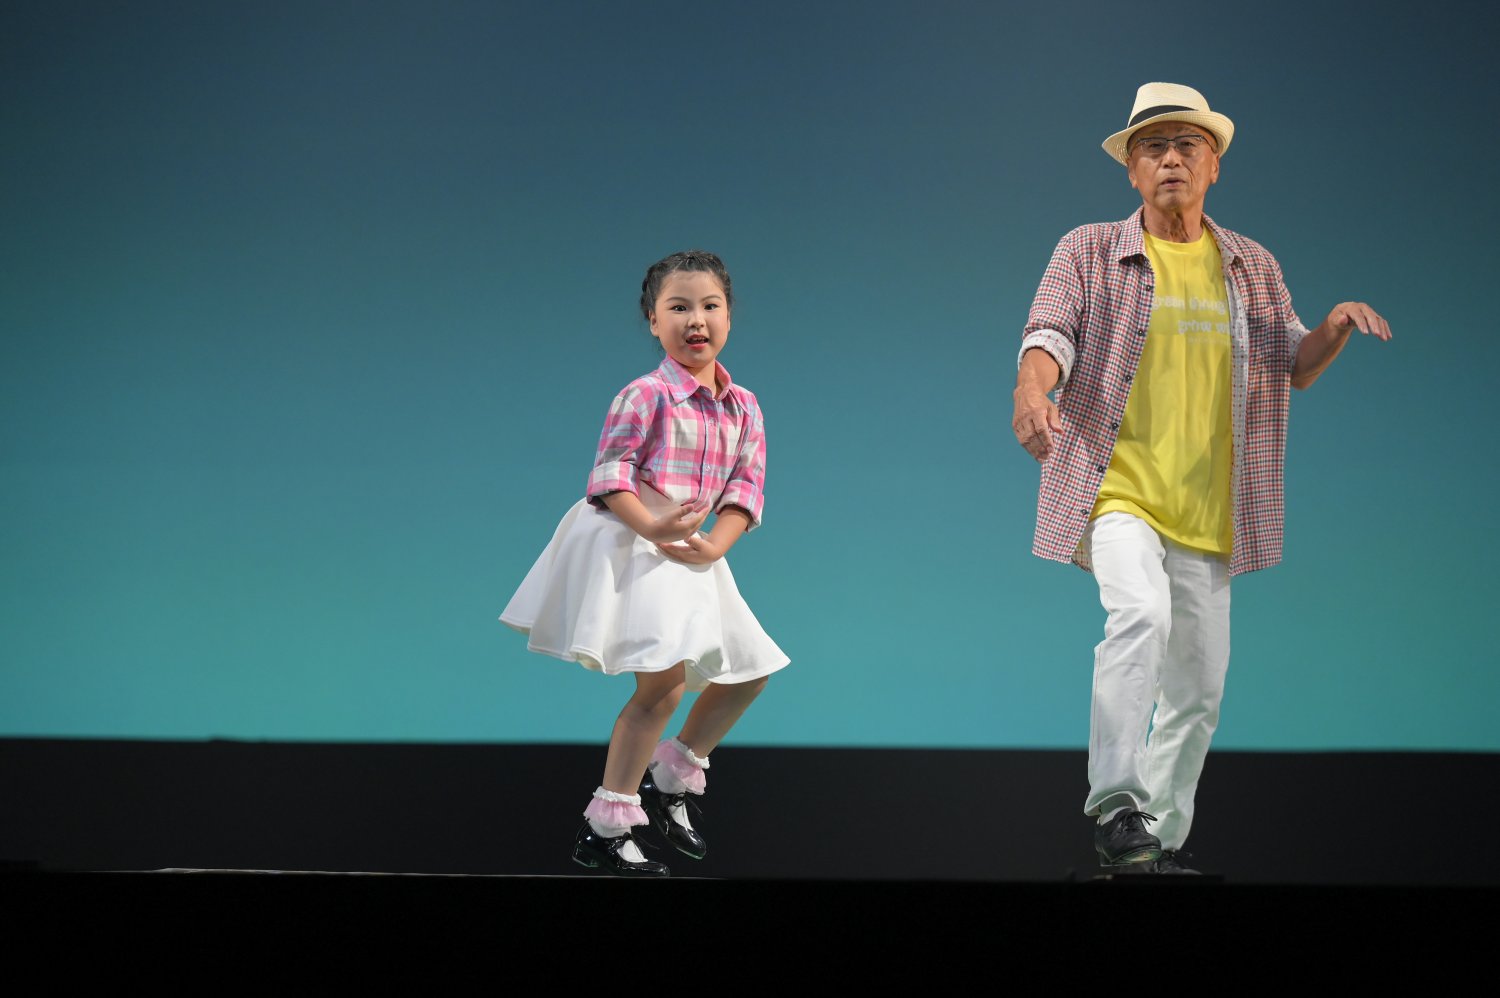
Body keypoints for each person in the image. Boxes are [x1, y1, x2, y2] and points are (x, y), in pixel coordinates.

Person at [1012, 83, 1391, 875]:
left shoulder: (1250, 264)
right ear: (1131, 170)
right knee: (1139, 614)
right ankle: (1116, 805)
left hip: (1212, 510)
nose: (1171, 159)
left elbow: (1293, 362)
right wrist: (1032, 389)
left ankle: (1154, 844)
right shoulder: (1089, 250)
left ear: (1214, 165)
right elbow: (1050, 333)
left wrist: (1331, 328)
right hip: (1118, 490)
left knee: (1198, 689)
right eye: (1153, 147)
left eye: (1188, 145)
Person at [501, 249, 788, 877]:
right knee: (662, 685)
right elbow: (610, 475)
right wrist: (652, 526)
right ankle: (608, 826)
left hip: (690, 546)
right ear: (653, 321)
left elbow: (746, 488)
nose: (696, 320)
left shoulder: (745, 406)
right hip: (632, 536)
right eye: (678, 307)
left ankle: (671, 774)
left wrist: (718, 543)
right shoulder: (645, 394)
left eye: (710, 306)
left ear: (729, 317)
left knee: (750, 671)